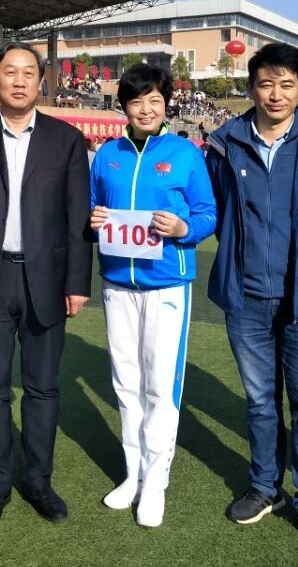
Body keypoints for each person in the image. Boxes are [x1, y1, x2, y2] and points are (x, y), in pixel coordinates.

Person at [205, 43, 298, 555]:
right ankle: (265, 486)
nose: (276, 93)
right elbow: (218, 211)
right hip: (246, 296)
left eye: (286, 84)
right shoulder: (226, 142)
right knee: (261, 401)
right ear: (252, 88)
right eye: (266, 83)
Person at [0, 42, 92, 531]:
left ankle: (38, 481)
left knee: (43, 389)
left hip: (46, 280)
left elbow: (77, 219)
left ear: (42, 82)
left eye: (29, 72)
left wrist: (77, 283)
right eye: (10, 72)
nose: (20, 80)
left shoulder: (67, 140)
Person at [88, 64, 216, 527]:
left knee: (160, 384)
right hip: (117, 283)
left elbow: (207, 213)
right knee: (126, 381)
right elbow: (91, 206)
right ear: (124, 106)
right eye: (137, 101)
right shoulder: (108, 154)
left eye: (155, 101)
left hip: (166, 284)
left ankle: (156, 482)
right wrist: (93, 219)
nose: (146, 109)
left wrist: (183, 228)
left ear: (167, 105)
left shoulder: (185, 153)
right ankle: (133, 475)